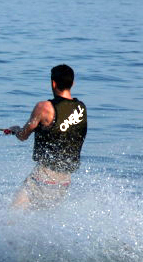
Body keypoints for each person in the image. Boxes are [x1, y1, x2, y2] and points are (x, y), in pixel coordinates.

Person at [5, 64, 87, 209]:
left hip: (43, 176)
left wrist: (15, 130)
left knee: (11, 215)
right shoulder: (80, 108)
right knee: (40, 218)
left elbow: (23, 135)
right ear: (72, 84)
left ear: (53, 83)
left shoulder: (44, 108)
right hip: (65, 179)